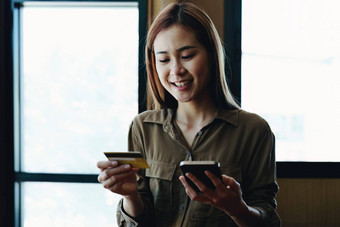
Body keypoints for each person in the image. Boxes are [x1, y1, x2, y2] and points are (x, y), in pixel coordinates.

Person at [97, 2, 281, 226]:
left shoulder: (254, 131)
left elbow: (268, 219)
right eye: (164, 60)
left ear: (212, 55)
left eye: (187, 56)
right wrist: (130, 196)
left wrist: (238, 209)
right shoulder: (143, 127)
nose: (176, 70)